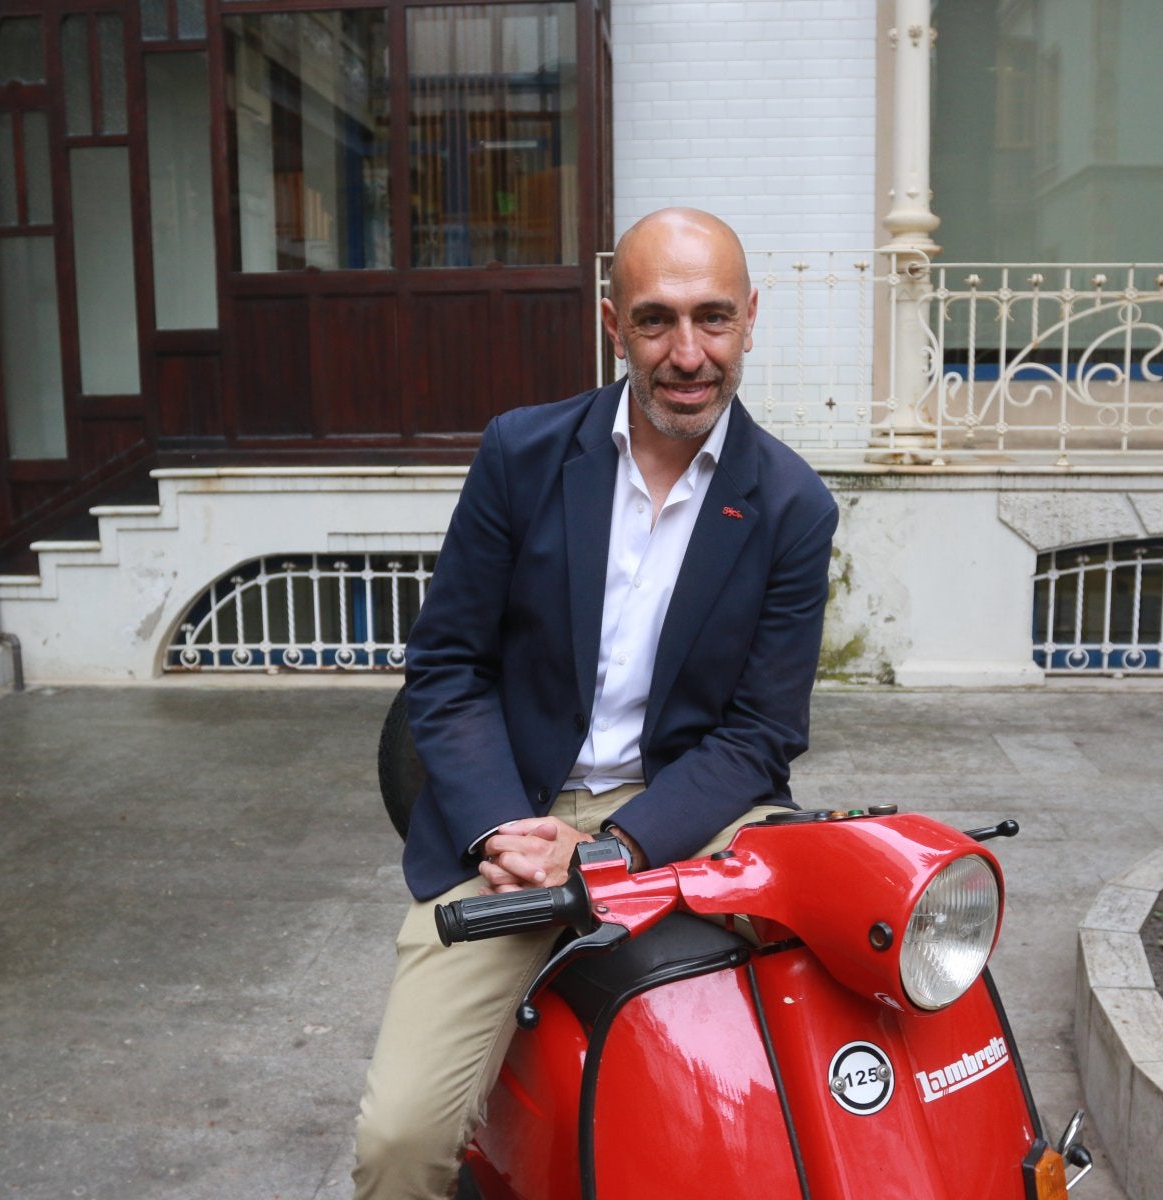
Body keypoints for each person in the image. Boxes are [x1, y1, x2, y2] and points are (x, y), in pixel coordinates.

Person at [351, 208, 839, 1199]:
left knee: (834, 1006)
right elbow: (447, 666)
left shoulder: (793, 505)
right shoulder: (522, 454)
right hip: (514, 817)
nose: (688, 354)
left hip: (690, 812)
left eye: (713, 318)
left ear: (750, 319)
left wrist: (614, 848)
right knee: (399, 1145)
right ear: (613, 323)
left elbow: (760, 735)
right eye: (656, 320)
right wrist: (501, 828)